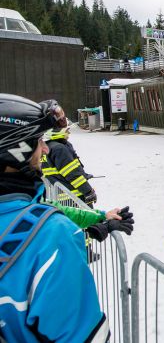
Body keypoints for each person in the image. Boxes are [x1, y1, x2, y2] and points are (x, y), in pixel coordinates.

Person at [0, 93, 109, 342]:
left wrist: (97, 219)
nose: (44, 148)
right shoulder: (51, 234)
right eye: (38, 141)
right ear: (17, 150)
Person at [41, 124, 98, 206]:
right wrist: (88, 191)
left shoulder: (46, 147)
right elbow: (72, 173)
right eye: (66, 131)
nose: (69, 133)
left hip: (58, 197)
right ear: (56, 132)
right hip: (74, 197)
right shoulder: (59, 149)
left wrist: (84, 175)